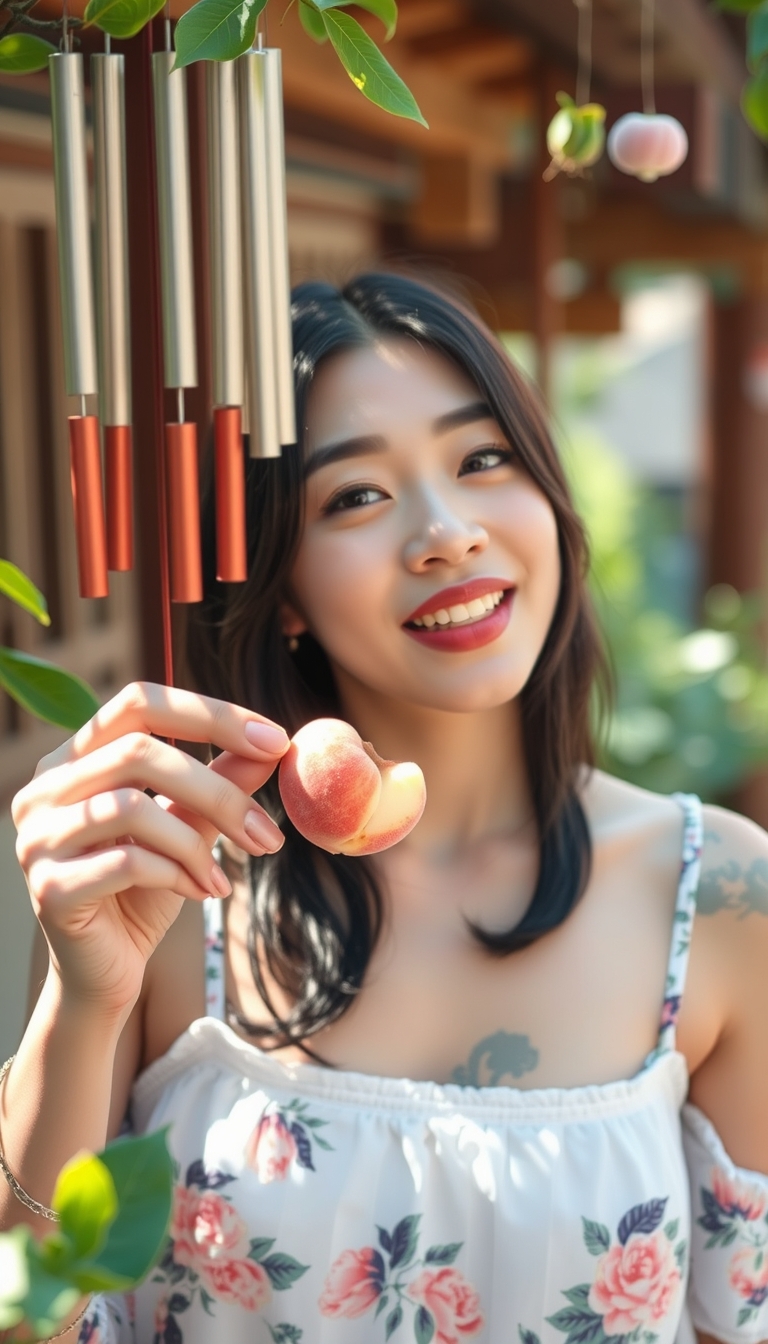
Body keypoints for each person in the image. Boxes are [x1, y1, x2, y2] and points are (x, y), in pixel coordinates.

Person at [2, 273, 768, 1344]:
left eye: (482, 459)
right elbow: (28, 1320)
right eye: (355, 496)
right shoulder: (175, 886)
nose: (447, 532)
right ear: (283, 592)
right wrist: (82, 1007)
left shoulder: (720, 896)